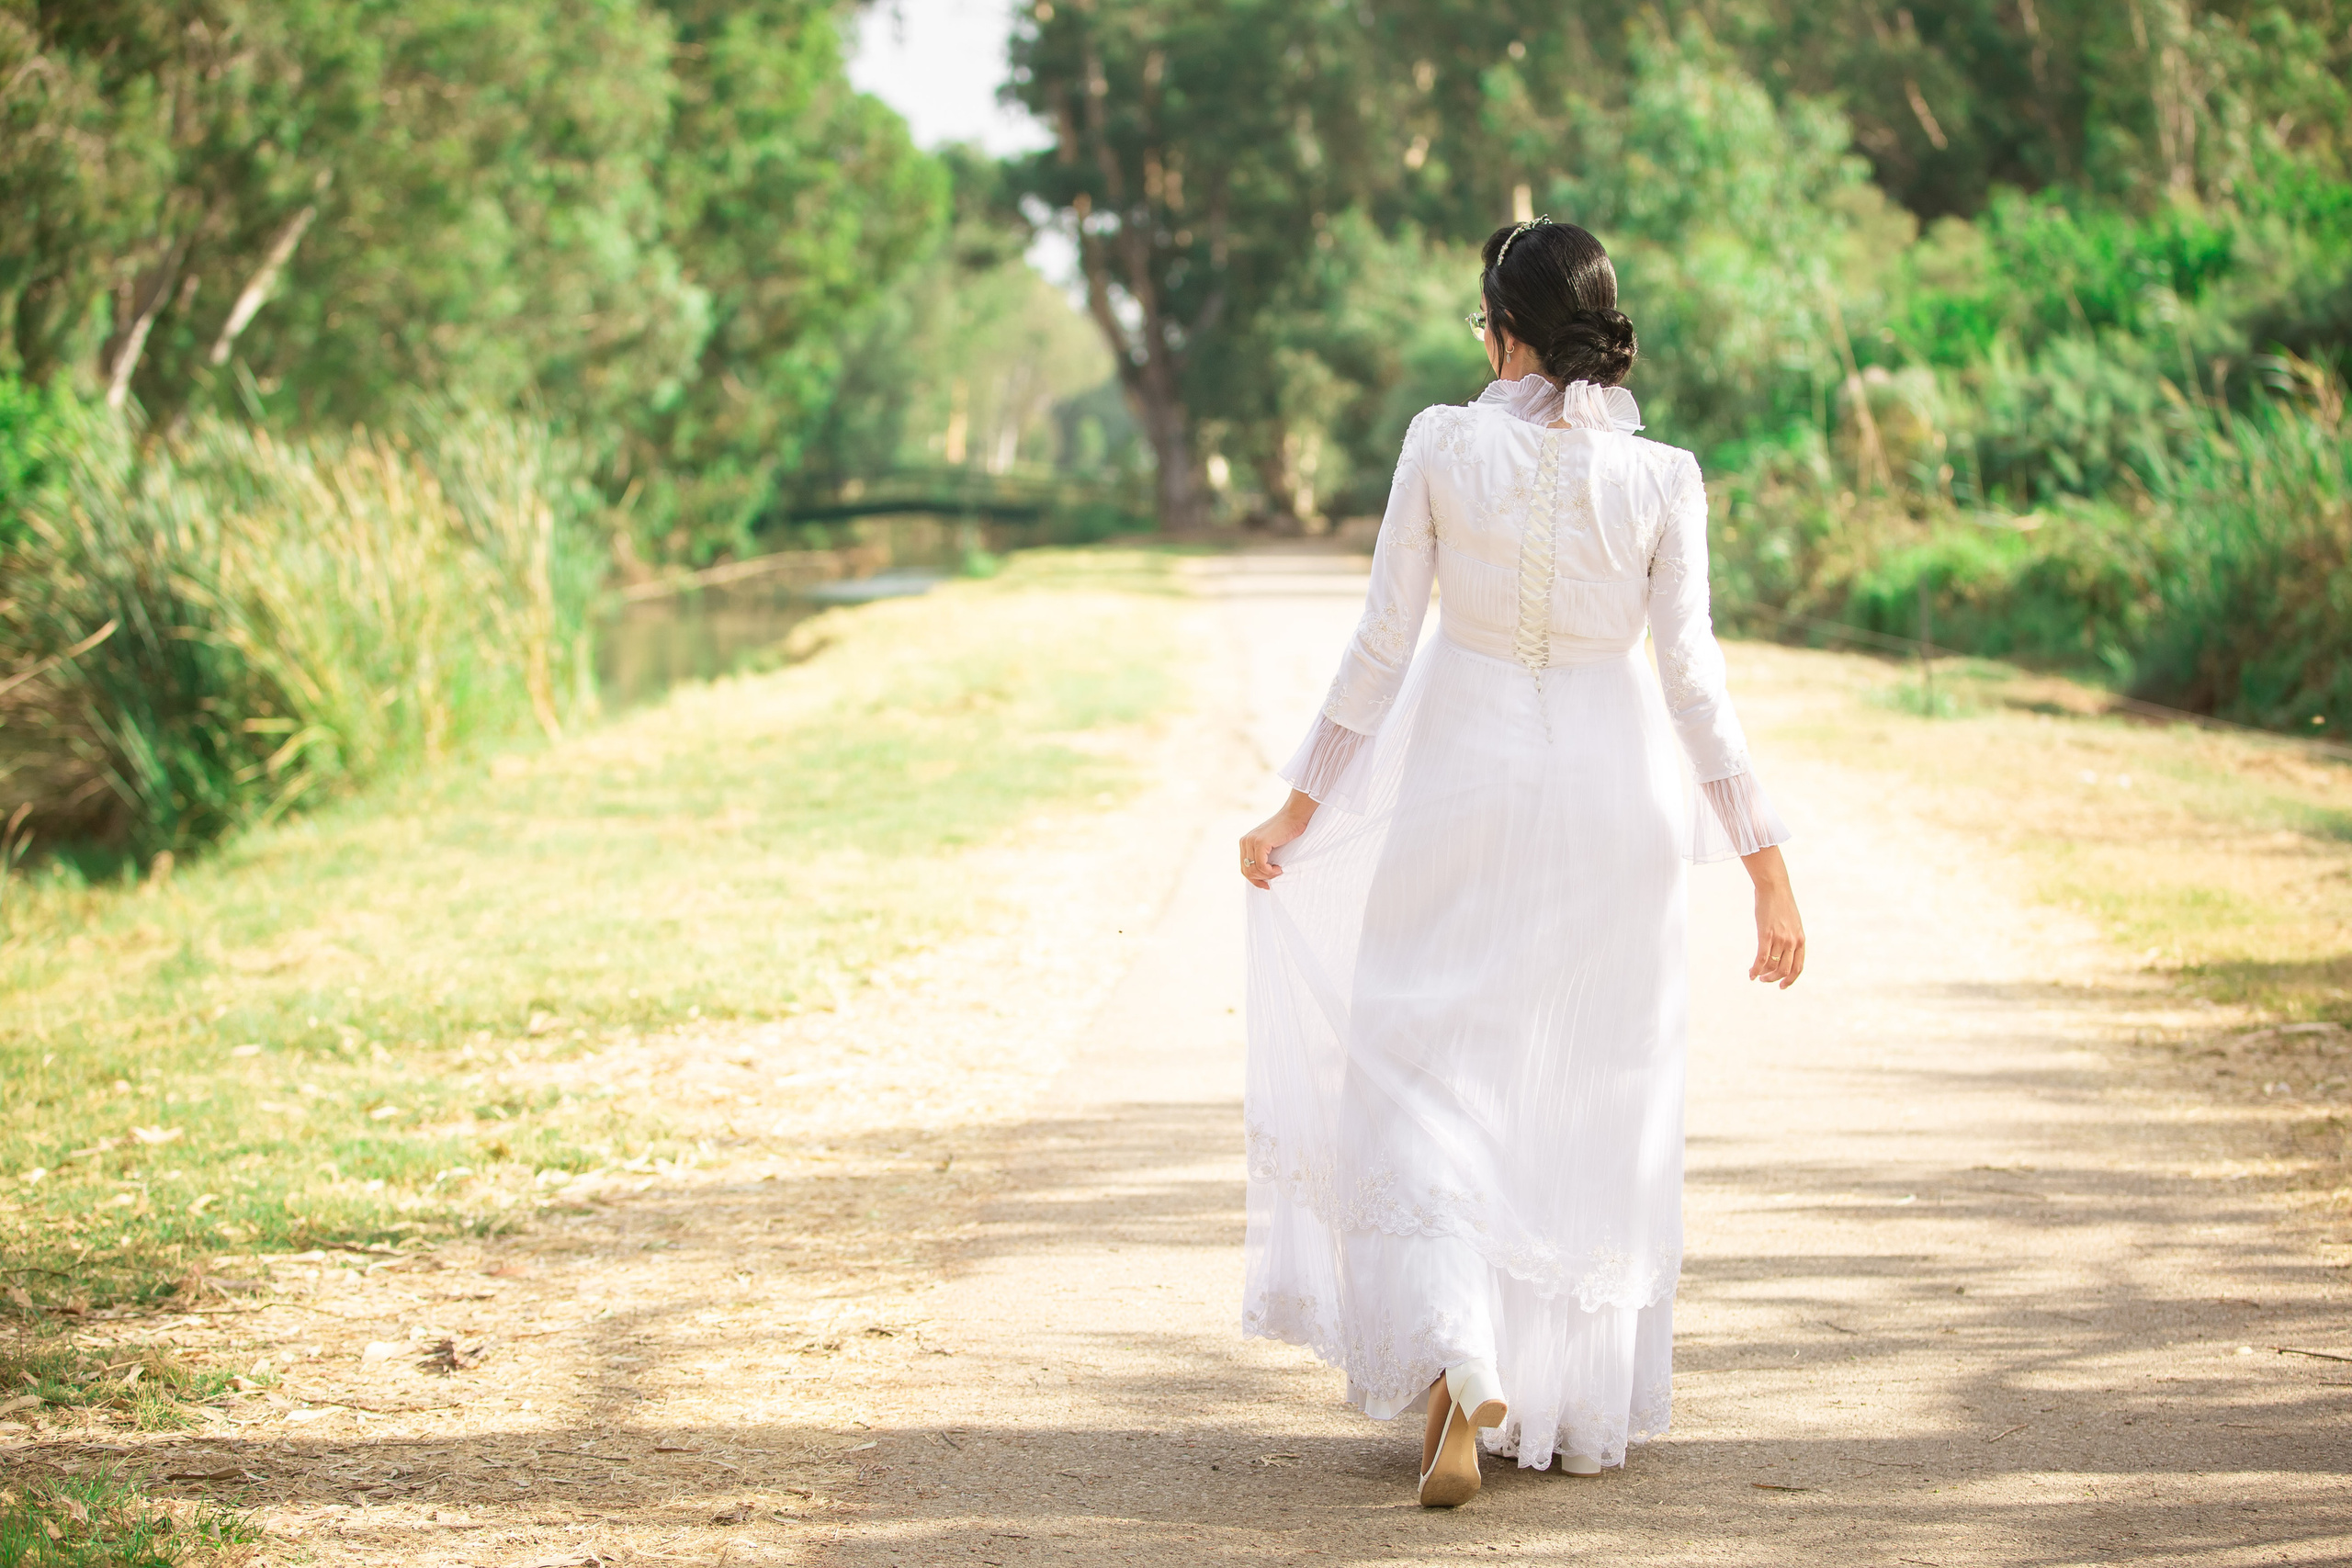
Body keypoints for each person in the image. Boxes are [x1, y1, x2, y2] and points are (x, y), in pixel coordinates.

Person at [1237, 217, 1805, 1507]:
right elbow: (1696, 687)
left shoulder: (1443, 445)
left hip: (1463, 781)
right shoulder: (1666, 479)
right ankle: (1531, 1388)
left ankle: (1462, 1361)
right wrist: (1764, 863)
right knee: (1584, 1090)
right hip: (1618, 803)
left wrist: (1295, 814)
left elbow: (1381, 648)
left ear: (1503, 330)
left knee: (1424, 1059)